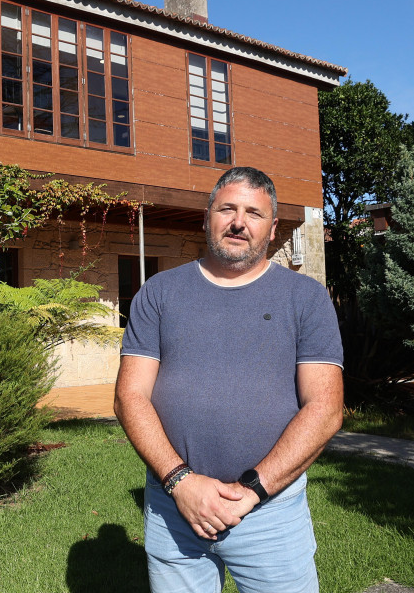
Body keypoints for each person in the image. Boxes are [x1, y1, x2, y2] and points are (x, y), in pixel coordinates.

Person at [114, 166, 343, 593]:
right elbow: (130, 396)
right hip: (173, 509)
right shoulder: (158, 293)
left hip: (270, 515)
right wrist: (181, 482)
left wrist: (253, 490)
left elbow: (325, 409)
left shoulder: (305, 299)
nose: (239, 222)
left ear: (273, 229)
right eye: (228, 209)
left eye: (254, 213)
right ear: (207, 217)